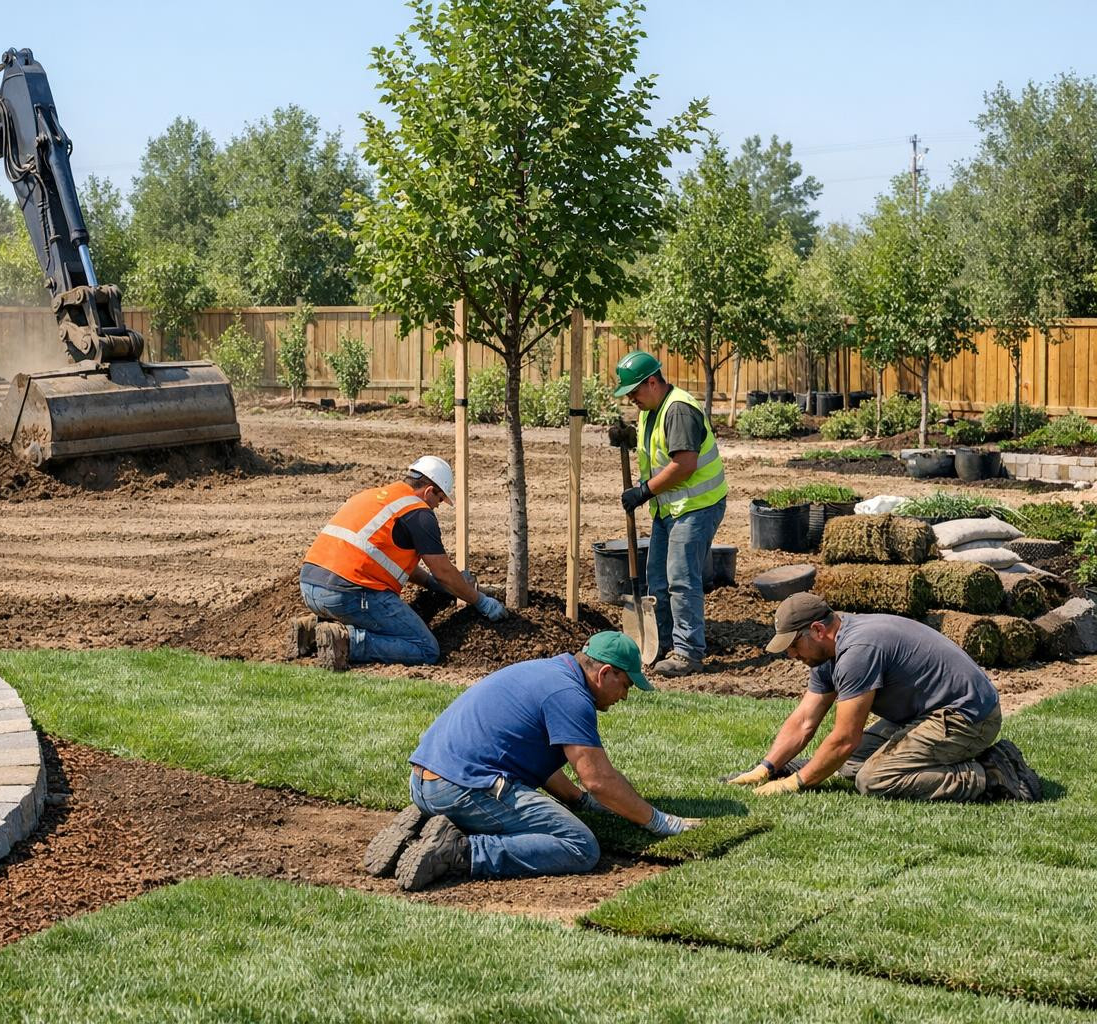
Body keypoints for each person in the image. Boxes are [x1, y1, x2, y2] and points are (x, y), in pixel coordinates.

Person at [362, 631, 701, 891]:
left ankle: (423, 826)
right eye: (625, 685)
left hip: (425, 782)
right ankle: (458, 850)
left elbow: (537, 759)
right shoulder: (571, 697)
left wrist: (579, 801)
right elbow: (598, 779)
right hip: (461, 788)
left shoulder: (550, 672)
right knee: (580, 846)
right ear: (605, 673)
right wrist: (658, 821)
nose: (624, 696)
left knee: (526, 799)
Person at [724, 592, 1042, 802]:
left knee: (873, 780)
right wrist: (766, 768)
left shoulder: (857, 651)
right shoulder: (829, 652)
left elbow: (845, 738)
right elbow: (805, 719)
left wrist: (796, 782)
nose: (791, 654)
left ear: (818, 630)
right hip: (929, 713)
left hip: (968, 717)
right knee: (845, 765)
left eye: (793, 644)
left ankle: (991, 773)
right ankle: (963, 763)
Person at [298, 455, 505, 671]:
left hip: (310, 588)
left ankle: (311, 631)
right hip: (347, 594)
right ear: (428, 491)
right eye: (440, 499)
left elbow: (392, 562)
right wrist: (480, 601)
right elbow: (443, 571)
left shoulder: (373, 496)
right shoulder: (418, 513)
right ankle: (346, 640)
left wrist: (433, 584)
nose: (438, 506)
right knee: (425, 648)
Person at [614, 351, 726, 677]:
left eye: (634, 392)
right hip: (670, 507)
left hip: (696, 507)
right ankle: (661, 642)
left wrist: (643, 491)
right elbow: (659, 452)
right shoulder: (652, 410)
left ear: (653, 382)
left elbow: (684, 465)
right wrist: (628, 441)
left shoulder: (678, 409)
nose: (631, 399)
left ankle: (688, 652)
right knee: (658, 579)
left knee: (681, 579)